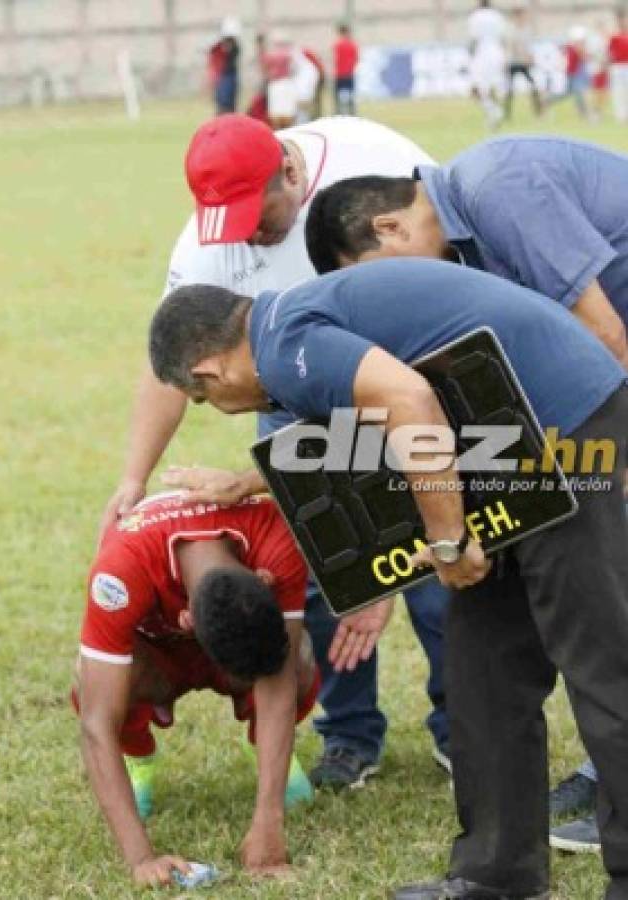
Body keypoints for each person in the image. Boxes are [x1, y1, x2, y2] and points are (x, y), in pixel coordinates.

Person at [149, 256, 628, 900]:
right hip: (500, 438)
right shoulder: (284, 328)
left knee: (600, 662)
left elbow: (407, 401)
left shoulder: (289, 341)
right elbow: (365, 431)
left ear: (209, 372)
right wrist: (246, 483)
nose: (222, 408)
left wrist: (448, 540)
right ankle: (496, 875)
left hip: (566, 422)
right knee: (483, 668)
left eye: (207, 399)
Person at [99, 111, 451, 791]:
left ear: (291, 173)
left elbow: (444, 265)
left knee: (440, 564)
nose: (248, 238)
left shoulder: (372, 157)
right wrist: (133, 476)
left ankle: (460, 730)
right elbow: (172, 362)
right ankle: (350, 734)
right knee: (320, 565)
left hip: (408, 376)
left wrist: (386, 560)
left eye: (258, 216)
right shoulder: (208, 242)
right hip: (292, 389)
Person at [75, 491, 322, 886]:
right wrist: (142, 859)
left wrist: (268, 819)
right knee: (91, 682)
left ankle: (266, 747)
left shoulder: (278, 538)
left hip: (222, 639)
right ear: (185, 620)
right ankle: (139, 756)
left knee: (300, 657)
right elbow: (96, 723)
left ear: (264, 579)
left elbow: (279, 680)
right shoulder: (120, 568)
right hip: (156, 654)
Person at [304, 136, 628, 367]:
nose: (394, 292)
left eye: (379, 278)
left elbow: (606, 337)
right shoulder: (465, 238)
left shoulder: (495, 189)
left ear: (390, 227)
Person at [467, 0, 508, 129]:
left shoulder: (475, 17)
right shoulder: (497, 16)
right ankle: (494, 113)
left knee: (476, 89)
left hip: (482, 54)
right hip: (497, 53)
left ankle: (494, 111)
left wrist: (470, 56)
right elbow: (503, 38)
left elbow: (473, 39)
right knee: (492, 88)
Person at [504, 6, 542, 119]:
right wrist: (524, 55)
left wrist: (530, 57)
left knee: (533, 86)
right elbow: (513, 46)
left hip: (524, 63)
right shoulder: (511, 29)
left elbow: (528, 45)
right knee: (510, 89)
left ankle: (538, 112)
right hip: (514, 63)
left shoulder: (527, 29)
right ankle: (507, 114)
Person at [208, 18, 241, 116]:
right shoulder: (219, 47)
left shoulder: (235, 48)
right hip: (223, 77)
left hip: (230, 77)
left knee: (230, 105)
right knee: (222, 104)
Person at [333, 23, 359, 115]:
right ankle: (352, 114)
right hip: (349, 73)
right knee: (351, 96)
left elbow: (336, 59)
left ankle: (339, 114)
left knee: (338, 97)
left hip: (339, 74)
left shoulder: (338, 45)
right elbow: (356, 59)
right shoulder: (352, 44)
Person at [608, 9, 628, 122]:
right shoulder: (615, 37)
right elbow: (610, 53)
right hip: (618, 66)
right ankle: (621, 115)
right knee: (619, 91)